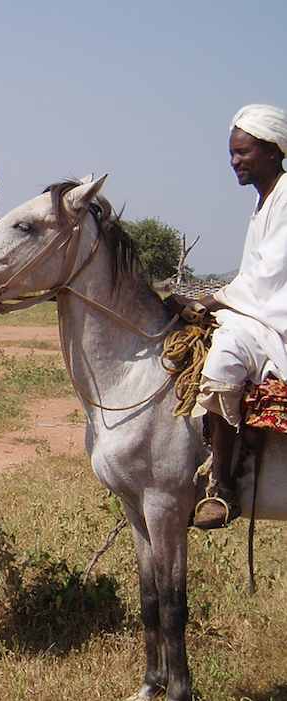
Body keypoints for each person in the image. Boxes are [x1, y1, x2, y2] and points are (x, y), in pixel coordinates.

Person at [167, 104, 287, 529]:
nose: (234, 161)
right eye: (232, 153)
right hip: (261, 312)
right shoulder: (265, 201)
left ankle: (221, 486)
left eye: (243, 152)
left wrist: (206, 303)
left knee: (222, 357)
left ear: (273, 150)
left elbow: (266, 281)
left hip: (276, 321)